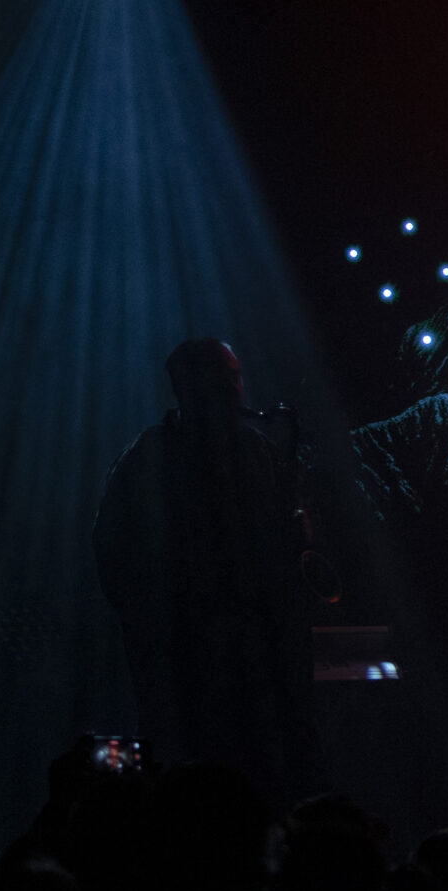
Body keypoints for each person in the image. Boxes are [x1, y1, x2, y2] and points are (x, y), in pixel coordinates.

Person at [94, 339, 322, 809]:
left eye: (234, 378)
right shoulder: (149, 456)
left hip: (251, 656)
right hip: (182, 660)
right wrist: (153, 623)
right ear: (185, 388)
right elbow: (112, 549)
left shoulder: (258, 451)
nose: (234, 390)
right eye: (220, 380)